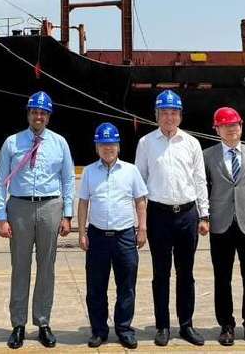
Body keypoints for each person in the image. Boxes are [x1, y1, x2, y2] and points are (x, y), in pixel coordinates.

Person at [0, 91, 75, 349]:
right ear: (28, 114)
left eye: (43, 113)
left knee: (46, 267)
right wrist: (1, 217)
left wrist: (68, 214)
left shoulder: (60, 143)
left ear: (48, 116)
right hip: (19, 207)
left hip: (50, 206)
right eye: (34, 112)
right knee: (20, 267)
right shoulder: (12, 142)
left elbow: (68, 179)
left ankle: (43, 322)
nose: (38, 116)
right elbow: (0, 180)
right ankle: (18, 324)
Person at [135, 89, 209, 347]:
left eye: (173, 113)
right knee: (161, 273)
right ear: (156, 115)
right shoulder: (146, 143)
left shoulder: (191, 143)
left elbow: (199, 180)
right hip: (159, 215)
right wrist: (141, 221)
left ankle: (186, 324)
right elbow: (139, 183)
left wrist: (204, 214)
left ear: (180, 116)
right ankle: (163, 325)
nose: (169, 117)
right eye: (164, 113)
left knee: (186, 273)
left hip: (187, 215)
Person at [77, 122, 147, 350]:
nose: (108, 148)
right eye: (103, 144)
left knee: (126, 286)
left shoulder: (131, 170)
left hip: (124, 236)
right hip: (97, 236)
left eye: (112, 144)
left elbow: (140, 201)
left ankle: (124, 329)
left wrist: (142, 228)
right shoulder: (89, 172)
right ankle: (99, 330)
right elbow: (83, 203)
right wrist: (82, 232)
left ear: (119, 146)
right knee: (96, 287)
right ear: (96, 147)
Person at [203, 107, 245, 348]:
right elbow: (204, 186)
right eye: (225, 125)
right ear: (217, 129)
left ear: (241, 126)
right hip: (220, 223)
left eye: (234, 125)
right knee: (222, 278)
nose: (231, 129)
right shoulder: (208, 156)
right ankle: (226, 325)